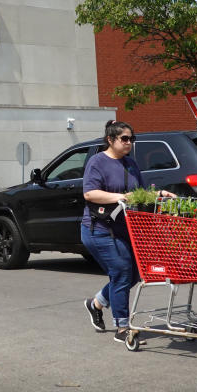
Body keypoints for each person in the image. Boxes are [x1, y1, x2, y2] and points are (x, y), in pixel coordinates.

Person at [81, 120, 173, 343]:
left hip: (124, 229)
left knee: (135, 273)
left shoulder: (130, 163)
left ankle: (96, 303)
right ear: (110, 140)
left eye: (132, 138)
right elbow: (90, 194)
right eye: (124, 138)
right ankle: (122, 328)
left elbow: (139, 193)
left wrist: (160, 194)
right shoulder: (97, 162)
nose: (129, 142)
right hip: (99, 229)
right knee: (121, 271)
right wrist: (120, 197)